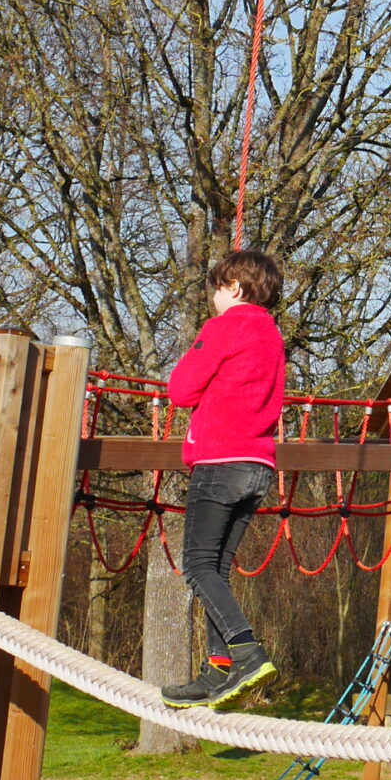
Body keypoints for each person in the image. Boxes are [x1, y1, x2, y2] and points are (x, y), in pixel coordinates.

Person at [159, 248, 288, 708]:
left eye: (216, 288)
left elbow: (180, 390)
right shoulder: (272, 336)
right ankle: (218, 669)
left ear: (233, 287)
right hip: (258, 466)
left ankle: (246, 652)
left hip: (219, 461)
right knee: (216, 569)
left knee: (197, 566)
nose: (212, 297)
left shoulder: (223, 327)